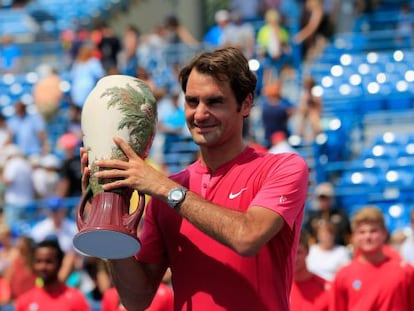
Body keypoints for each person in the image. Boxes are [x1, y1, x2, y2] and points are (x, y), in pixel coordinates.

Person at [81, 47, 309, 310]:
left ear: (245, 104)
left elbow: (248, 236)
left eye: (214, 102)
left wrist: (168, 190)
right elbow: (137, 299)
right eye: (192, 101)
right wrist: (109, 219)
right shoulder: (165, 192)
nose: (199, 114)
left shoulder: (283, 167)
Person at [329, 206, 414, 310]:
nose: (368, 237)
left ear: (384, 233)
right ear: (354, 237)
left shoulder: (405, 271)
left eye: (373, 231)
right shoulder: (343, 275)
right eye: (362, 232)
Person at [14, 239, 91, 311]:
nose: (43, 267)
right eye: (38, 261)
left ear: (59, 264)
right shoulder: (24, 301)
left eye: (49, 262)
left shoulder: (76, 298)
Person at [290, 230, 330, 311]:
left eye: (298, 253)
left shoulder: (326, 287)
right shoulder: (278, 288)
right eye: (290, 253)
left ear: (307, 252)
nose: (293, 258)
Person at [303, 182, 351, 246]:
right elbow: (307, 235)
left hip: (339, 249)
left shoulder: (341, 214)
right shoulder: (312, 215)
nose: (324, 201)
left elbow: (348, 234)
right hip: (318, 251)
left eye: (327, 198)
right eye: (321, 198)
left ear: (332, 198)